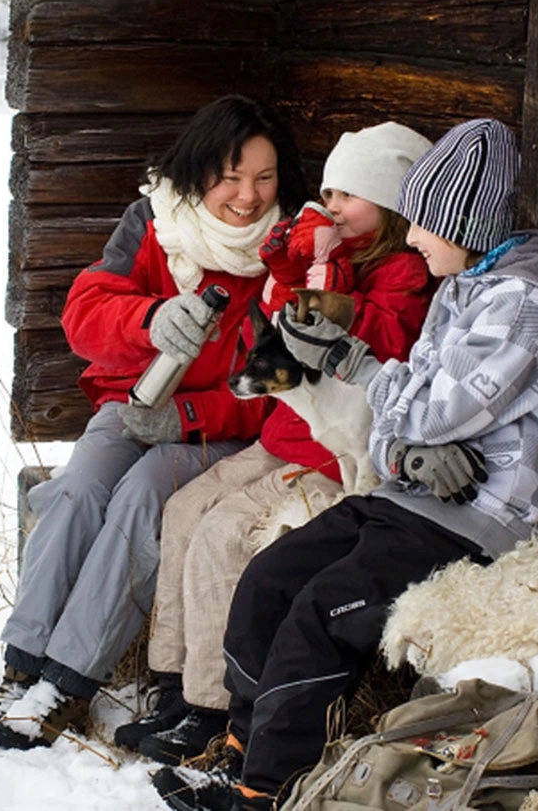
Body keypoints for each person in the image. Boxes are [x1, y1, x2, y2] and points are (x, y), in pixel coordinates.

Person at [152, 118, 538, 811]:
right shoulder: (463, 289)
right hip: (412, 495)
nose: (413, 235)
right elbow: (394, 424)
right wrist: (403, 438)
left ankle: (267, 789)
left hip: (482, 516)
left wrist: (372, 384)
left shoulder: (522, 310)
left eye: (423, 222)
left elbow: (422, 411)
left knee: (323, 611)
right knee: (269, 579)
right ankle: (244, 745)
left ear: (462, 223)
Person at [0, 95, 310, 750]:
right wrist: (149, 319)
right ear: (198, 172)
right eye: (230, 176)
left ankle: (67, 681)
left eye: (264, 178)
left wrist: (189, 413)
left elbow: (282, 387)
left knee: (141, 498)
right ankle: (21, 661)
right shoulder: (156, 220)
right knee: (79, 487)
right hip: (134, 403)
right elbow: (86, 313)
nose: (247, 197)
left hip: (223, 427)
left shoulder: (291, 249)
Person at [112, 123, 437, 764]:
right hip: (285, 432)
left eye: (349, 194)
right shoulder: (325, 255)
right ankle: (175, 682)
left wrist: (330, 291)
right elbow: (281, 317)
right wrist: (292, 261)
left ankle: (213, 706)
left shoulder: (401, 271)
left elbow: (382, 343)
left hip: (334, 449)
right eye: (329, 192)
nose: (333, 206)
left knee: (223, 536)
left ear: (392, 201)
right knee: (183, 512)